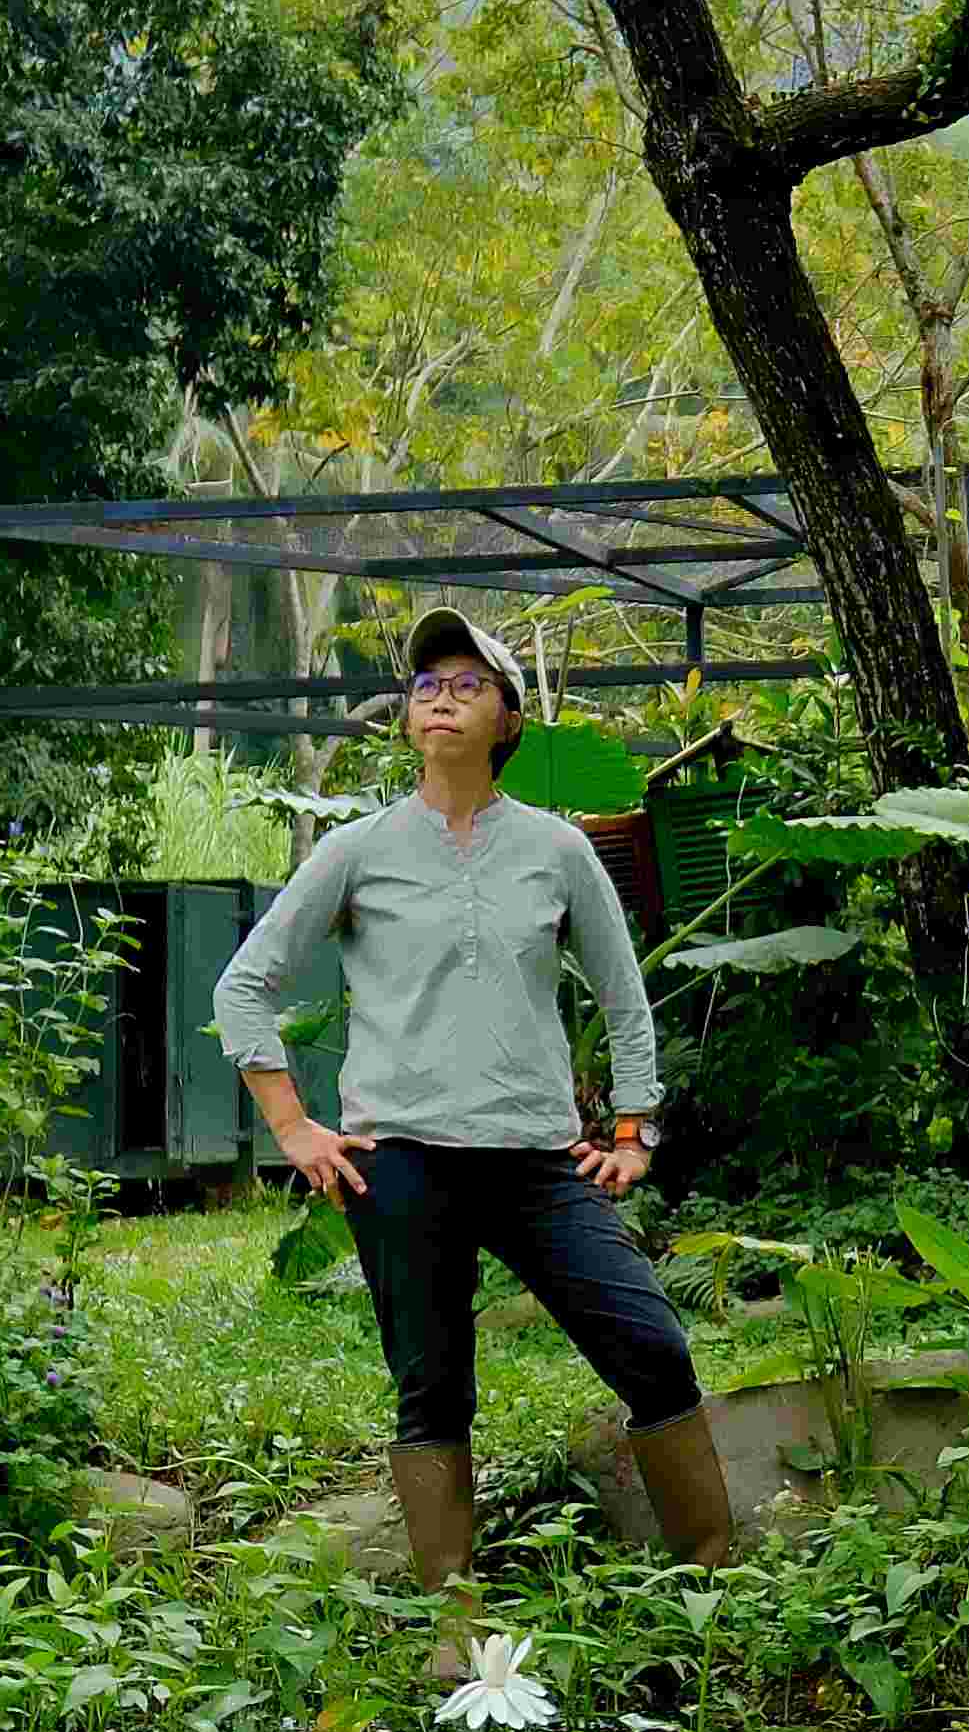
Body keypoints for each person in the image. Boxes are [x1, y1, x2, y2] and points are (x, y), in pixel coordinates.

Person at [213, 609, 744, 1591]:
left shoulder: (557, 851)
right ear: (408, 719)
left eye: (468, 682)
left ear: (508, 718)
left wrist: (634, 1127)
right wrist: (291, 1123)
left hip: (537, 1162)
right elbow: (243, 986)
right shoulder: (357, 850)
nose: (441, 694)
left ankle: (711, 1587)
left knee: (654, 1349)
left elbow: (626, 1000)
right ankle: (455, 1623)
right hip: (399, 1161)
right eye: (425, 683)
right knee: (434, 1390)